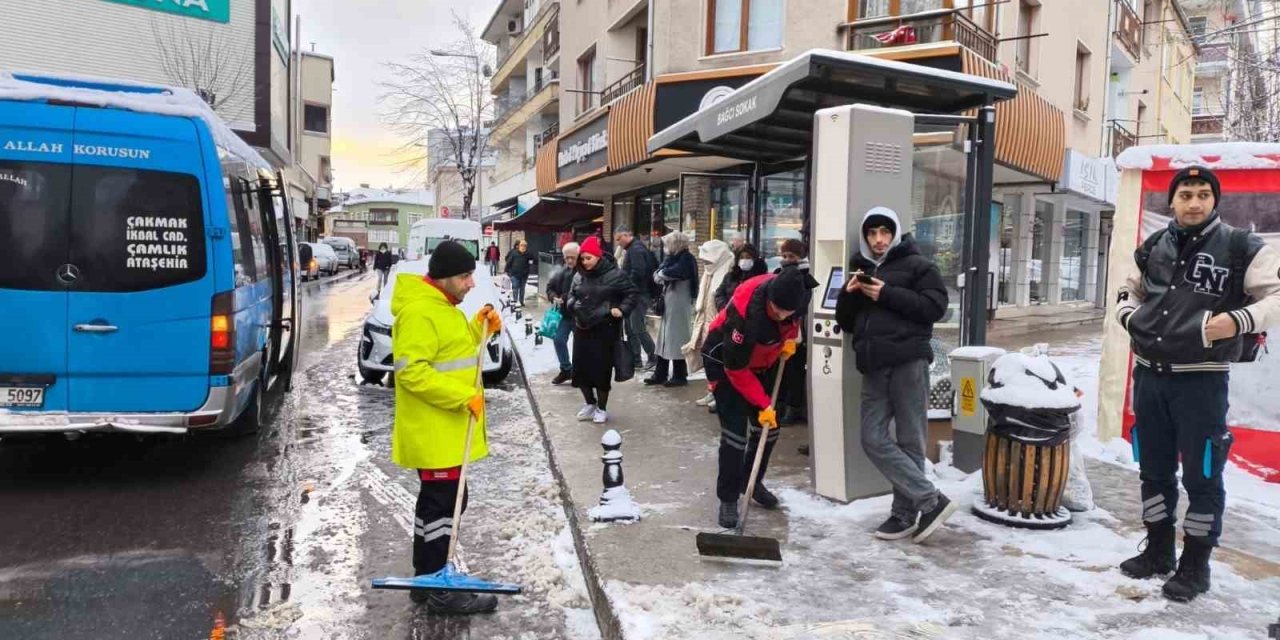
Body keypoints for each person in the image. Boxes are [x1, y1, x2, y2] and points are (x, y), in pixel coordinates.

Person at [1113, 166, 1280, 602]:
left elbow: (1276, 297)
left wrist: (1237, 321)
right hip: (1149, 377)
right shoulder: (1154, 245)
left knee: (1203, 477)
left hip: (1201, 384)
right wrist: (1128, 316)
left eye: (1203, 194)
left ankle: (1195, 566)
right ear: (1172, 200)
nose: (1193, 202)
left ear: (1214, 200)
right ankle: (1158, 552)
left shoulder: (1242, 247)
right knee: (1153, 471)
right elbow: (1128, 290)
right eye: (1185, 193)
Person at [389, 240, 504, 614]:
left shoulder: (443, 307)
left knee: (439, 507)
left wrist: (479, 327)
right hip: (435, 431)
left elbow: (450, 352)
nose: (471, 283)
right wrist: (460, 397)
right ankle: (441, 588)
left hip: (445, 432)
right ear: (442, 278)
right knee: (443, 510)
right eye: (465, 276)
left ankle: (426, 580)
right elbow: (412, 373)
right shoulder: (421, 313)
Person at [835, 206, 954, 544]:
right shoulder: (859, 270)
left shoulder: (919, 265)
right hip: (873, 364)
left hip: (908, 362)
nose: (878, 240)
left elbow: (934, 309)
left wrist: (885, 293)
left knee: (910, 439)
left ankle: (904, 514)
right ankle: (930, 499)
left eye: (884, 232)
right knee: (872, 437)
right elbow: (846, 323)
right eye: (872, 234)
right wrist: (848, 295)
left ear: (896, 233)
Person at [702, 268, 806, 528]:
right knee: (735, 435)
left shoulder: (798, 293)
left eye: (788, 312)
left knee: (769, 429)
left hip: (763, 362)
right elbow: (736, 370)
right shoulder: (746, 315)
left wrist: (791, 336)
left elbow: (793, 318)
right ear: (769, 297)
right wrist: (762, 403)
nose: (782, 315)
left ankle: (751, 482)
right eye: (778, 309)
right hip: (726, 362)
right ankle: (728, 498)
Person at [566, 236, 640, 424]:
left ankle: (602, 407)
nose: (584, 262)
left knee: (601, 371)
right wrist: (573, 305)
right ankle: (589, 403)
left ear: (598, 256)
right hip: (582, 329)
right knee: (581, 370)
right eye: (582, 259)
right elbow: (571, 296)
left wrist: (621, 309)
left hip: (605, 330)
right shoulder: (578, 275)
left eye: (588, 258)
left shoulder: (615, 274)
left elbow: (632, 293)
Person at [774, 239, 820, 427]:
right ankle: (781, 404)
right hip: (778, 330)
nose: (787, 259)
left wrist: (785, 314)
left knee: (794, 370)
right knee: (780, 370)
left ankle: (793, 407)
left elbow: (803, 303)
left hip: (796, 331)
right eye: (784, 256)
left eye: (791, 256)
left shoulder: (806, 276)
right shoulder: (778, 274)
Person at [683, 240, 734, 410]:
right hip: (706, 321)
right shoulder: (708, 272)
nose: (706, 264)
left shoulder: (729, 269)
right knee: (709, 361)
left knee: (720, 362)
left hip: (720, 323)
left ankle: (721, 395)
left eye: (708, 261)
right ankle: (712, 391)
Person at [646, 232, 698, 387]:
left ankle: (679, 374)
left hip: (679, 302)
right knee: (664, 337)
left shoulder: (687, 259)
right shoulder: (673, 258)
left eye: (669, 244)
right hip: (670, 302)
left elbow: (672, 273)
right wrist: (662, 274)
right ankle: (660, 372)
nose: (666, 247)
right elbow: (658, 274)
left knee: (677, 338)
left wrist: (662, 274)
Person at [614, 227, 659, 369]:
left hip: (638, 294)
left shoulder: (636, 250)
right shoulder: (634, 249)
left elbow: (638, 272)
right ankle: (636, 359)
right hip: (634, 294)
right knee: (630, 328)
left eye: (619, 239)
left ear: (627, 235)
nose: (618, 243)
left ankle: (653, 355)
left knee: (636, 326)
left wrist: (626, 285)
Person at [546, 242, 581, 386]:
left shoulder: (584, 271)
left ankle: (579, 372)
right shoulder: (561, 270)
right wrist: (553, 296)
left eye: (573, 257)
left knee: (580, 345)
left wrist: (565, 297)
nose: (570, 261)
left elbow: (583, 290)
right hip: (564, 314)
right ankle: (566, 369)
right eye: (567, 258)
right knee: (558, 339)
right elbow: (549, 287)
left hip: (580, 314)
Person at [714, 244, 768, 312]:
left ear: (754, 259)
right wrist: (725, 308)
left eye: (748, 257)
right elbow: (719, 294)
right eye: (741, 257)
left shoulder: (761, 278)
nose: (744, 260)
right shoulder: (730, 276)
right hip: (730, 318)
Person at [504, 240, 534, 307]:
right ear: (519, 246)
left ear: (526, 247)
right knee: (515, 288)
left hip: (524, 275)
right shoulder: (514, 253)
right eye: (522, 246)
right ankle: (515, 301)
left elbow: (532, 261)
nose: (523, 247)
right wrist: (506, 270)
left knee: (522, 289)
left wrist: (531, 264)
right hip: (515, 274)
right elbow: (509, 262)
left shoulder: (528, 254)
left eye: (524, 246)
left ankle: (521, 301)